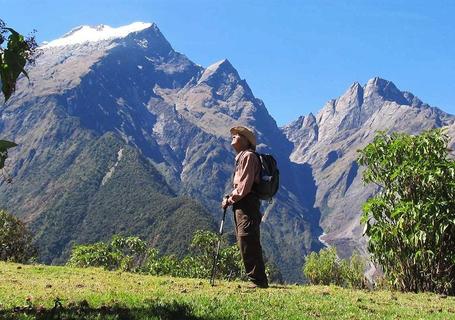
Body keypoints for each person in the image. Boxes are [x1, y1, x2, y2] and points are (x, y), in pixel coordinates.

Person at [222, 126, 269, 288]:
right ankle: (256, 278)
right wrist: (231, 198)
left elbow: (244, 187)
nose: (234, 136)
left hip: (247, 203)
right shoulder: (242, 157)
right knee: (245, 239)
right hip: (243, 203)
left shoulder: (248, 156)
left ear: (246, 141)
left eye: (238, 135)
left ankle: (258, 280)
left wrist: (230, 199)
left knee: (248, 238)